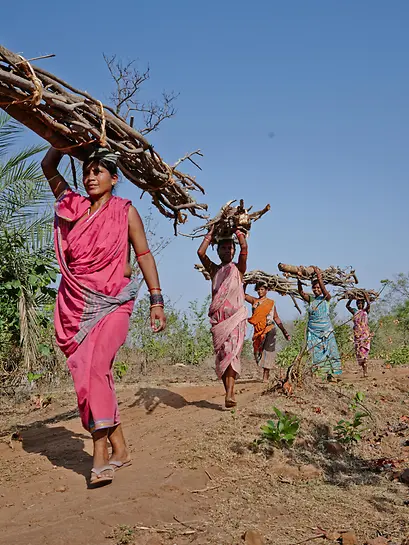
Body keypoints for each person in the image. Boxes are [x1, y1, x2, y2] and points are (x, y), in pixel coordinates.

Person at [41, 146, 166, 487]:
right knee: (89, 379)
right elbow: (48, 164)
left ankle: (99, 455)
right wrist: (65, 138)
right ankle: (120, 447)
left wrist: (157, 300)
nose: (91, 177)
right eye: (88, 171)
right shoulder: (74, 206)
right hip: (77, 306)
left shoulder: (125, 212)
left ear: (114, 178)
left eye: (99, 171)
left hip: (113, 303)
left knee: (98, 368)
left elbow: (143, 254)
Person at [197, 225, 248, 408]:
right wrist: (211, 233)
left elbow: (244, 249)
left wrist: (237, 231)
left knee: (232, 354)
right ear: (217, 251)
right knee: (222, 357)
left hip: (235, 319)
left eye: (230, 248)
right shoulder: (214, 270)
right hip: (219, 322)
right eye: (224, 248)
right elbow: (200, 253)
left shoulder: (239, 269)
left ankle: (230, 393)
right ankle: (228, 391)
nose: (228, 251)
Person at [297, 267, 341, 379]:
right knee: (316, 353)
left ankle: (334, 374)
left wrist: (318, 275)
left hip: (326, 331)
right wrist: (299, 280)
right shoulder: (311, 299)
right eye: (314, 288)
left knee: (331, 350)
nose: (316, 289)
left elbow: (324, 289)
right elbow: (301, 293)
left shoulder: (327, 298)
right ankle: (320, 374)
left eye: (318, 288)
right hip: (313, 332)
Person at [245, 283, 291, 382]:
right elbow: (243, 295)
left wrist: (284, 332)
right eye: (258, 289)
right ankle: (263, 371)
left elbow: (276, 318)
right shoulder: (254, 301)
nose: (260, 291)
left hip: (269, 328)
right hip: (258, 331)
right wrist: (244, 284)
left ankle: (265, 377)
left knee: (268, 352)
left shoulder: (270, 303)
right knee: (257, 352)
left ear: (267, 290)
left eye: (262, 289)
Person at [346, 295, 371, 377]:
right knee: (359, 353)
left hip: (365, 335)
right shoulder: (355, 311)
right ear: (356, 304)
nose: (360, 304)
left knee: (364, 353)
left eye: (361, 303)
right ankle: (364, 370)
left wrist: (366, 296)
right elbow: (347, 306)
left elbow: (369, 305)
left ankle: (365, 372)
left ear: (363, 304)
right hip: (357, 335)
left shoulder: (366, 311)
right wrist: (350, 299)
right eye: (358, 303)